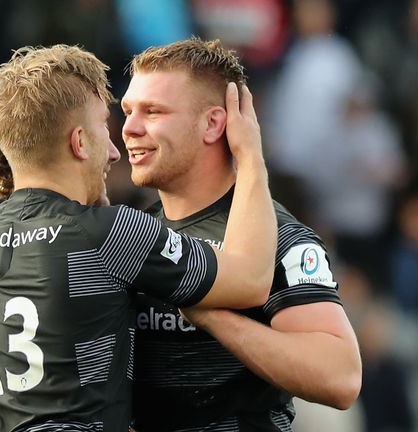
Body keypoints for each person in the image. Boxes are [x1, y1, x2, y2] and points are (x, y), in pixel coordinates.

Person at [0, 44, 277, 432]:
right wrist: (249, 155)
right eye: (104, 128)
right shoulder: (109, 232)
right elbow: (251, 279)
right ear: (79, 143)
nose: (115, 151)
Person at [121, 38, 362, 431]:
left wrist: (210, 313)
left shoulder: (277, 237)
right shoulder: (129, 233)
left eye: (153, 111)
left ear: (213, 123)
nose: (130, 128)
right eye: (128, 111)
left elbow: (341, 378)